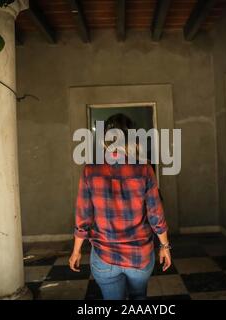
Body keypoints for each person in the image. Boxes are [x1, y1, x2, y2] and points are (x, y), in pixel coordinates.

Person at [68, 113, 172, 300]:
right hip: (139, 256)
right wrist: (165, 246)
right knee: (138, 298)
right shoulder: (144, 169)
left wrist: (76, 251)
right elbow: (156, 215)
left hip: (104, 256)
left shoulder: (90, 170)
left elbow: (83, 216)